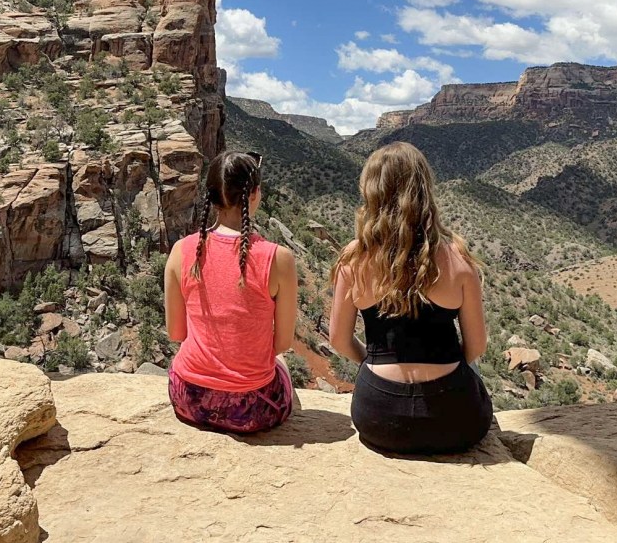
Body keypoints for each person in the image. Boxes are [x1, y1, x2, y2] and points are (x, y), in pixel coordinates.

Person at [329, 141, 493, 455]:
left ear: (372, 192)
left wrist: (373, 365)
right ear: (424, 190)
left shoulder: (353, 259)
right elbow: (477, 346)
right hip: (456, 421)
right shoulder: (457, 259)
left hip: (379, 418)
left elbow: (339, 340)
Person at [164, 150, 298, 434]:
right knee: (280, 363)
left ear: (210, 197)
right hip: (253, 408)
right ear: (255, 194)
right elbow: (282, 343)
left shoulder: (181, 251)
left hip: (188, 397)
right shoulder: (278, 258)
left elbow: (176, 334)